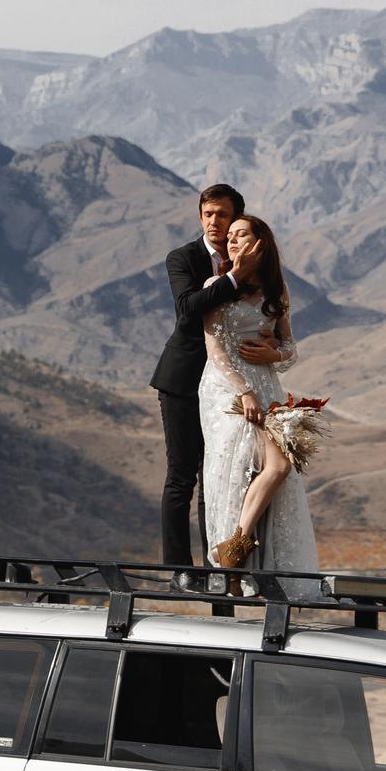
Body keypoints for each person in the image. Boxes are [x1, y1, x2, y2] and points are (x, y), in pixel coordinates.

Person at [149, 183, 283, 584]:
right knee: (181, 477)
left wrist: (273, 347)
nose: (214, 222)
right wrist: (234, 276)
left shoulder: (253, 261)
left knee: (221, 476)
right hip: (184, 380)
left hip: (229, 388)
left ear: (235, 218)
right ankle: (179, 570)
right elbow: (188, 310)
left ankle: (218, 566)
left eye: (222, 215)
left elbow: (272, 323)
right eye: (207, 214)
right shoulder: (183, 258)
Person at [199, 213, 319, 578]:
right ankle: (233, 558)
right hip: (227, 387)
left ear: (259, 244)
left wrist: (274, 354)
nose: (232, 241)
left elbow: (290, 347)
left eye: (241, 235)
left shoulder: (276, 289)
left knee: (280, 467)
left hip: (266, 386)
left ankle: (236, 547)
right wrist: (244, 391)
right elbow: (215, 349)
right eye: (230, 237)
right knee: (239, 466)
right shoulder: (217, 284)